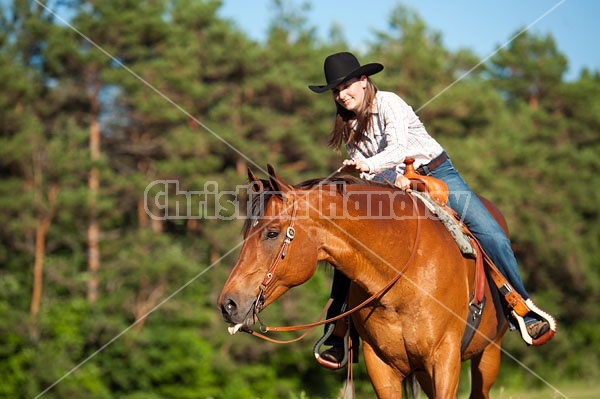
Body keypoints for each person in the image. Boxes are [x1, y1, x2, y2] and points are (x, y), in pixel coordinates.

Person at [308, 51, 555, 367]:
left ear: (363, 80)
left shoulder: (390, 104)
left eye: (346, 86)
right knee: (351, 246)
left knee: (488, 231)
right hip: (394, 186)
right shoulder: (349, 131)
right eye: (336, 91)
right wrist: (389, 176)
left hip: (437, 174)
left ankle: (520, 306)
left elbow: (397, 148)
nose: (342, 95)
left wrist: (369, 165)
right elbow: (376, 174)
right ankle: (338, 329)